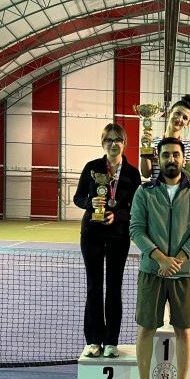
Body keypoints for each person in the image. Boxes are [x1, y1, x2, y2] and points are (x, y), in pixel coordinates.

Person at [128, 137, 190, 379]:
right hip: (152, 271)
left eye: (176, 154)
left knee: (184, 330)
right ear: (158, 159)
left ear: (183, 159)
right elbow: (136, 229)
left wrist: (180, 259)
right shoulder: (145, 192)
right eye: (165, 155)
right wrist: (160, 258)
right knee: (146, 328)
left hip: (184, 274)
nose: (171, 159)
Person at [73, 123, 142, 358]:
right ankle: (94, 340)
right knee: (94, 287)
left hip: (118, 236)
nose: (113, 144)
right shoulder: (92, 167)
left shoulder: (132, 173)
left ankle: (111, 341)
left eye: (118, 140)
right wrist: (90, 203)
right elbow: (78, 197)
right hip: (91, 235)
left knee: (114, 288)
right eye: (109, 140)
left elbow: (136, 206)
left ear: (124, 143)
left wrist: (118, 215)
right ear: (103, 143)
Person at [140, 94, 190, 181]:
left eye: (185, 118)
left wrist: (160, 160)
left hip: (179, 189)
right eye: (177, 113)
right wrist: (145, 147)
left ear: (187, 124)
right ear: (169, 113)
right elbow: (146, 174)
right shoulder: (153, 142)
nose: (179, 119)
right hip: (156, 188)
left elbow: (188, 176)